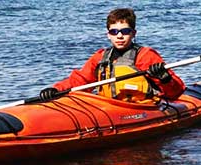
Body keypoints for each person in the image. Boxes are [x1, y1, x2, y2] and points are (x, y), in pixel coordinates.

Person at [39, 8, 185, 103]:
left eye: (125, 31)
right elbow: (80, 81)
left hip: (143, 108)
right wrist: (56, 90)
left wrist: (165, 79)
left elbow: (176, 92)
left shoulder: (145, 56)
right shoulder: (100, 57)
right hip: (110, 108)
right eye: (114, 32)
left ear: (133, 33)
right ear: (108, 35)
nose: (120, 36)